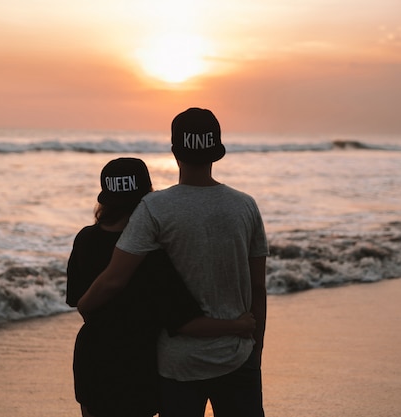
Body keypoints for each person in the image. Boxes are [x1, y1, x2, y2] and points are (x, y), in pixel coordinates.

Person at [78, 108, 269, 417]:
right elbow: (258, 287)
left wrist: (85, 305)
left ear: (174, 151)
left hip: (179, 363)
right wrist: (256, 351)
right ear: (216, 152)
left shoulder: (155, 208)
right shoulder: (245, 206)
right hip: (236, 354)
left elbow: (115, 278)